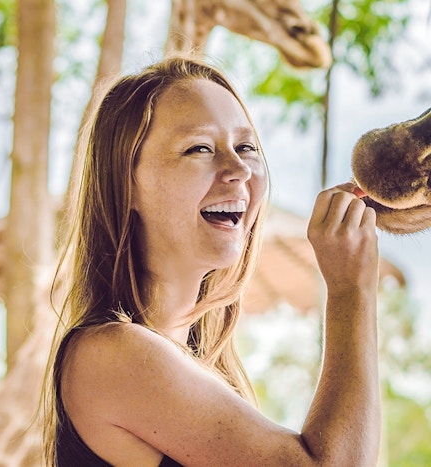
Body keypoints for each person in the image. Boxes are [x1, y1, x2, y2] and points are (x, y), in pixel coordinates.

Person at [43, 56, 381, 467]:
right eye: (199, 148)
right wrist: (350, 290)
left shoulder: (202, 369)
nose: (238, 169)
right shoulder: (110, 354)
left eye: (246, 147)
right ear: (125, 183)